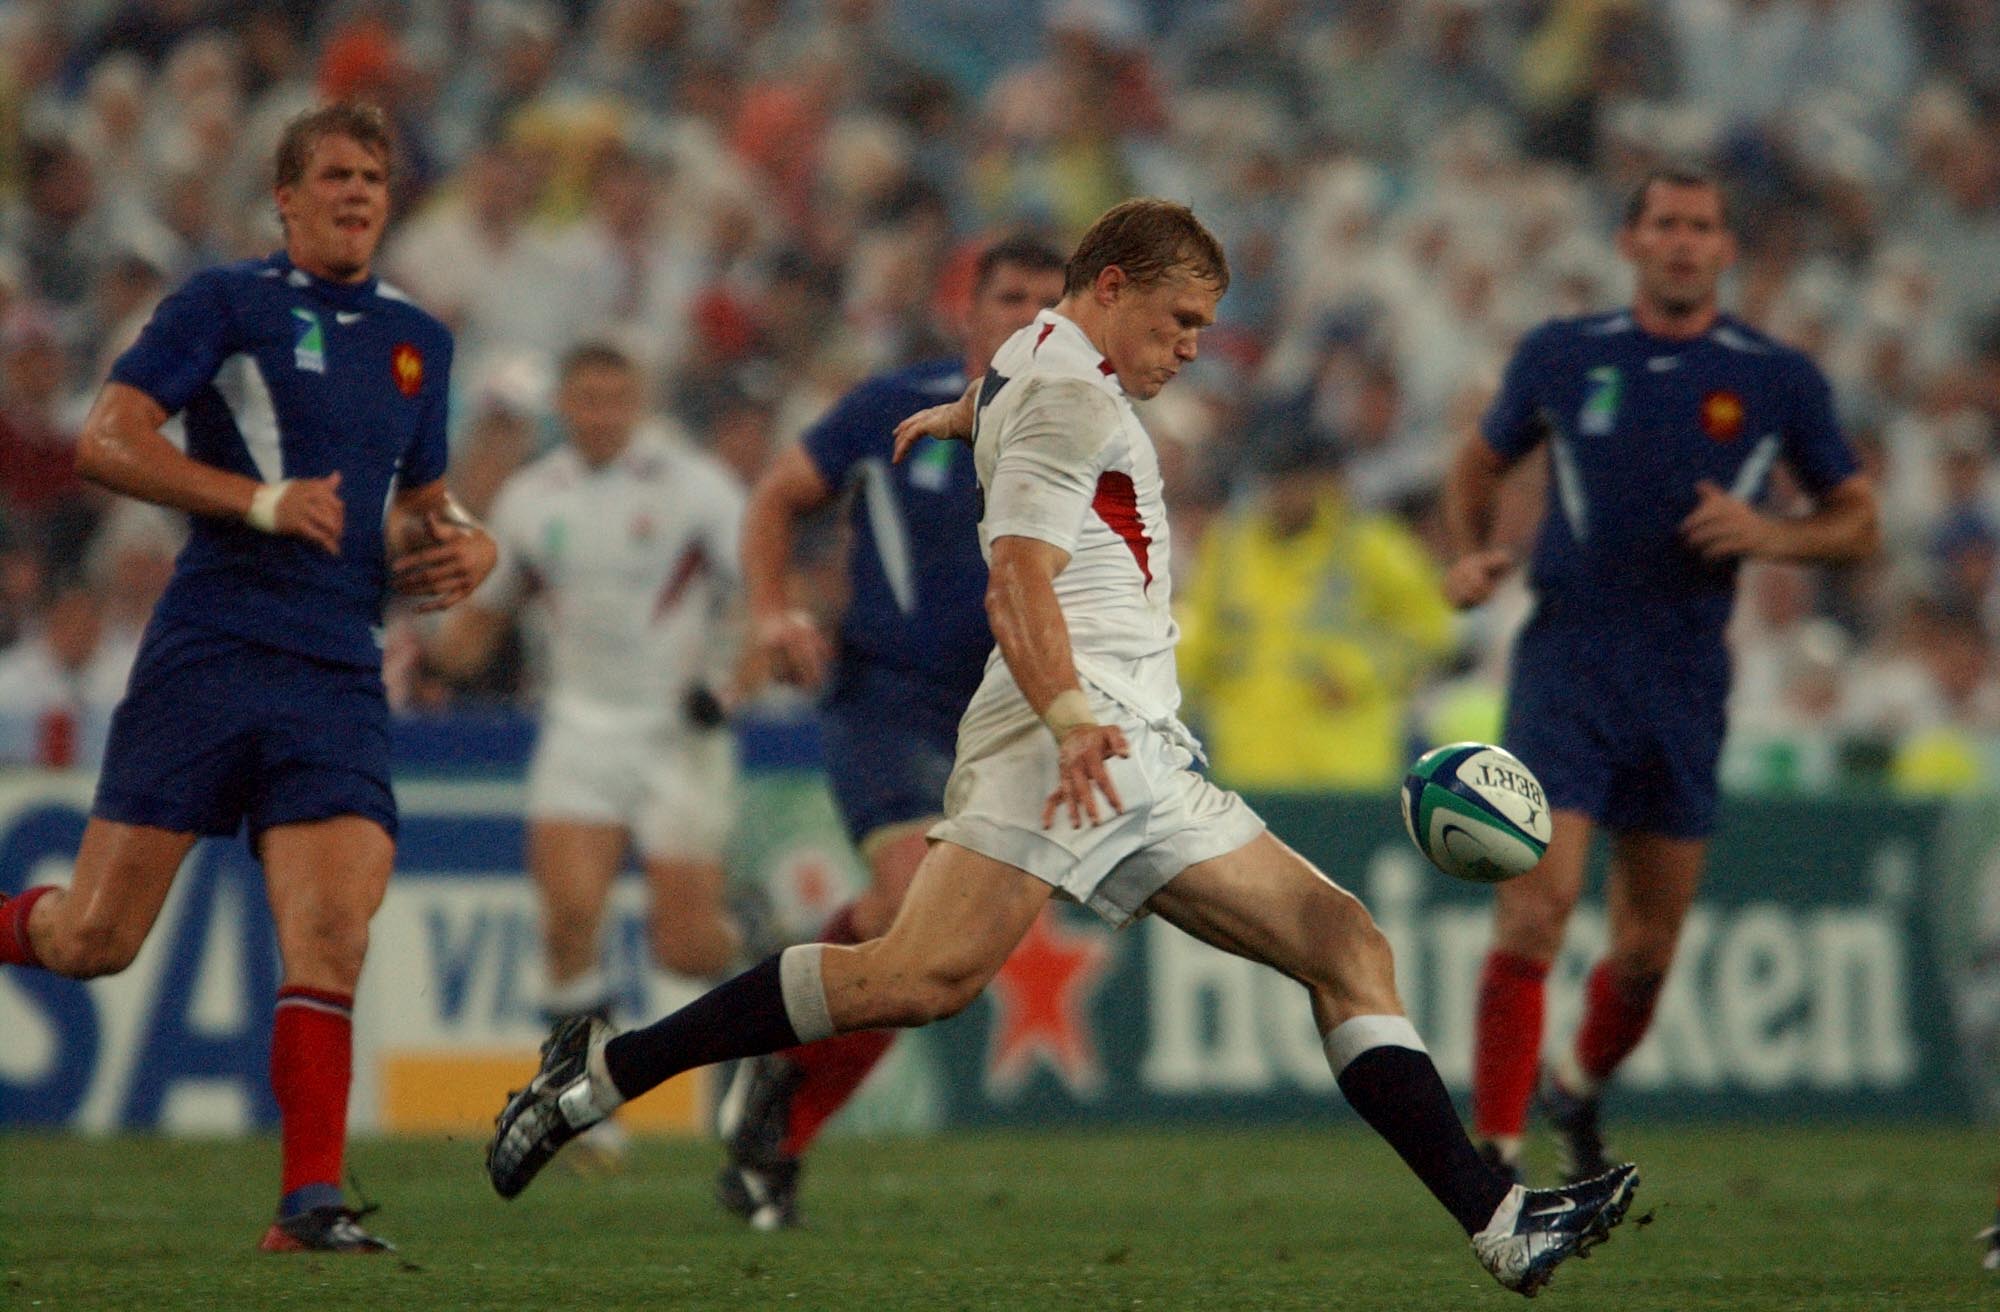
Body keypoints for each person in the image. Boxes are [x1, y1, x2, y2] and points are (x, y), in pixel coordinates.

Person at [488, 198, 1637, 1298]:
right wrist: (1070, 717)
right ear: (1112, 286)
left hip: (1126, 736)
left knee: (1295, 942)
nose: (1190, 349)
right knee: (925, 975)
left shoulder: (1042, 361)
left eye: (1203, 329)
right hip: (1074, 733)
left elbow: (1011, 382)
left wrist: (964, 415)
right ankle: (599, 1076)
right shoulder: (1070, 399)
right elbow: (1015, 582)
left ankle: (1499, 1221)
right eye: (1177, 321)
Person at [0, 103, 497, 1254]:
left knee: (331, 926)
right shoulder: (225, 304)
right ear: (284, 195)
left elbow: (426, 503)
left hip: (334, 667)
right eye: (333, 173)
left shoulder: (419, 340)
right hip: (211, 652)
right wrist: (256, 500)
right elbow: (106, 437)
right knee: (93, 939)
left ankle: (308, 1205)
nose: (357, 191)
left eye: (373, 174)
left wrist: (473, 541)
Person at [1443, 168, 1879, 1184]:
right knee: (1536, 905)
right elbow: (1474, 464)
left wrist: (1769, 531)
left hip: (1683, 678)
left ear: (1726, 250)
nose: (1681, 242)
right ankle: (1495, 1162)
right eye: (1663, 225)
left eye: (1700, 227)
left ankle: (1577, 1082)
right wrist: (1464, 553)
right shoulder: (1564, 353)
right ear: (1629, 242)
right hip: (1566, 664)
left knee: (1643, 951)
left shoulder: (1775, 377)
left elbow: (1857, 517)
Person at [717, 234, 1065, 1228]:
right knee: (916, 909)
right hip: (887, 701)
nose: (1031, 316)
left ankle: (779, 1091)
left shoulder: (1082, 431)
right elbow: (778, 498)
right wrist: (772, 611)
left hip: (1005, 716)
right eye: (1011, 296)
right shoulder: (888, 409)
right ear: (968, 308)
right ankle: (778, 1124)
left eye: (1051, 301)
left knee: (915, 944)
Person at [427, 340, 747, 1165]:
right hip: (579, 726)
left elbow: (763, 589)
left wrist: (733, 680)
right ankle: (583, 1110)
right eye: (586, 398)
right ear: (563, 407)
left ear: (637, 401)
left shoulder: (693, 486)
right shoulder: (533, 498)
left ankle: (762, 949)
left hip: (676, 733)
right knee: (569, 916)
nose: (600, 413)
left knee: (684, 946)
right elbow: (481, 621)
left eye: (615, 397)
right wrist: (423, 656)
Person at [1176, 434, 1454, 790]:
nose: (1284, 495)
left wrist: (1356, 671)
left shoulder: (1367, 545)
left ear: (1319, 482)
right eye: (1275, 482)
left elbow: (1431, 632)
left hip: (1343, 760)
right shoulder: (1229, 547)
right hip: (1249, 760)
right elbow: (1197, 642)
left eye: (1294, 482)